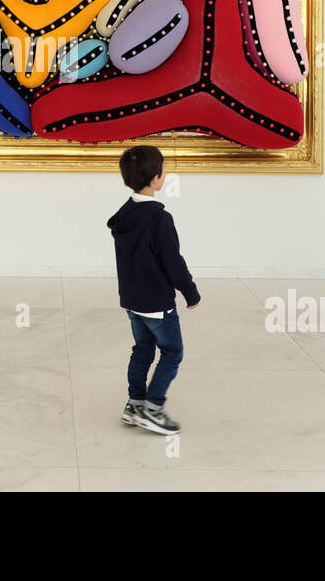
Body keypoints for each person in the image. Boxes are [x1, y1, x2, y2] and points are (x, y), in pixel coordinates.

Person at [109, 145, 200, 435]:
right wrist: (191, 292)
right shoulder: (159, 219)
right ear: (157, 178)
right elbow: (173, 262)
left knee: (142, 350)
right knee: (172, 352)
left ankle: (134, 404)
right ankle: (152, 408)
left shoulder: (125, 214)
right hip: (157, 303)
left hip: (132, 301)